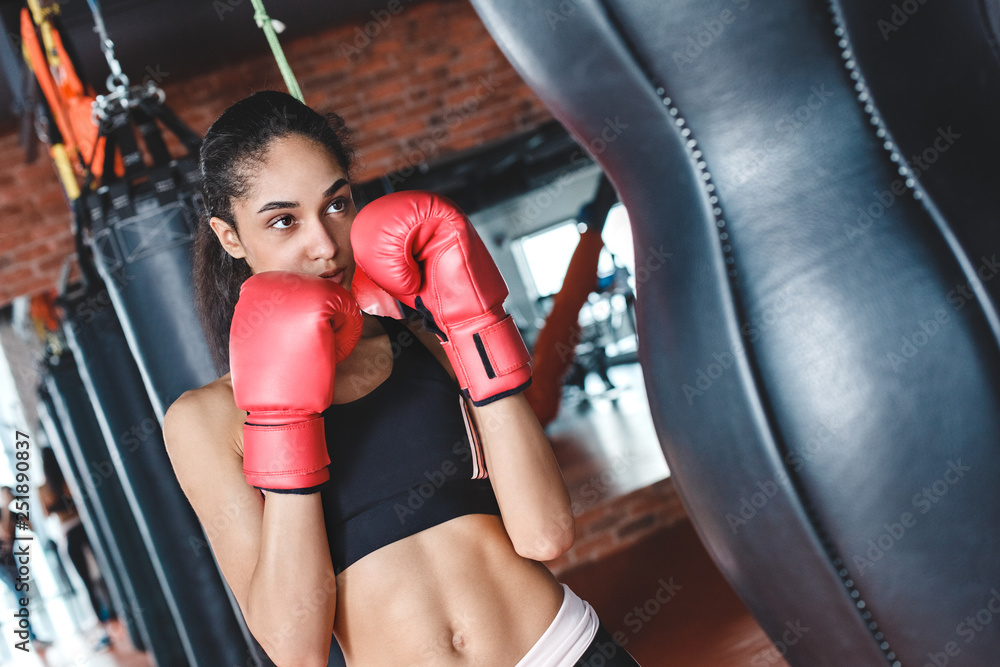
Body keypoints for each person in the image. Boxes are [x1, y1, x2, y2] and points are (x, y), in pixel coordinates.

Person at [164, 90, 640, 666]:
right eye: (284, 221)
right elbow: (295, 648)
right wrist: (284, 420)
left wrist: (471, 326)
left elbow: (546, 535)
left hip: (563, 650)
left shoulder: (424, 337)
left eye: (336, 204)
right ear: (230, 236)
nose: (323, 244)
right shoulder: (206, 420)